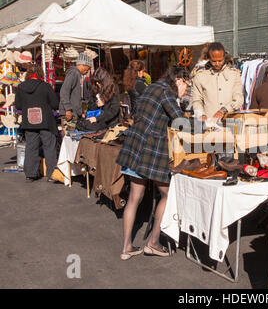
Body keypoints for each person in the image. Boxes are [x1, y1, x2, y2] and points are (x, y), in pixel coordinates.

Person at [116, 65, 191, 260]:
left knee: (134, 196)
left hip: (135, 144)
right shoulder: (167, 92)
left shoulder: (152, 87)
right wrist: (204, 126)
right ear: (179, 80)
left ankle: (126, 248)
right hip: (152, 150)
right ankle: (153, 242)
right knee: (167, 193)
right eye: (186, 86)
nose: (185, 91)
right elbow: (180, 121)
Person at [15, 63, 59, 183]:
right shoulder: (45, 86)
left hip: (29, 121)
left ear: (28, 74)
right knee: (49, 147)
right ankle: (51, 174)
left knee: (31, 147)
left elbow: (18, 106)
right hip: (46, 121)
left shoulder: (21, 87)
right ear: (40, 73)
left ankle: (30, 174)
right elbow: (55, 104)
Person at [191, 42, 243, 121]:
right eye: (214, 61)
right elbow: (196, 100)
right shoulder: (200, 76)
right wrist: (201, 114)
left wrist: (224, 110)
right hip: (209, 124)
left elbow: (238, 98)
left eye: (220, 60)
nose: (217, 64)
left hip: (230, 123)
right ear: (209, 58)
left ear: (224, 57)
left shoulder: (234, 75)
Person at [76, 68, 121, 132]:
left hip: (110, 122)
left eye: (99, 82)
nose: (97, 83)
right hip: (97, 119)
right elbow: (90, 106)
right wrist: (96, 104)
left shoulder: (113, 88)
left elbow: (114, 110)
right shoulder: (95, 88)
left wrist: (97, 118)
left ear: (105, 81)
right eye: (96, 82)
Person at [58, 53, 92, 132]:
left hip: (73, 113)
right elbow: (64, 91)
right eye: (88, 68)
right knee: (70, 136)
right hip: (69, 113)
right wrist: (68, 109)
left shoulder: (76, 74)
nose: (88, 71)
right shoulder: (74, 73)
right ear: (83, 65)